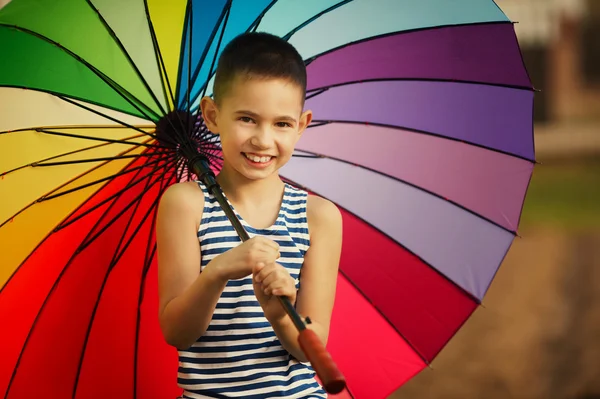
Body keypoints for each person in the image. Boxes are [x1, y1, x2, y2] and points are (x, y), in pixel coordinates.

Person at [156, 31, 343, 398]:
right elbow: (176, 332)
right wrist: (218, 271)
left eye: (282, 124)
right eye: (246, 118)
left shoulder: (318, 216)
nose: (262, 139)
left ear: (302, 125)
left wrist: (278, 314)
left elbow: (310, 350)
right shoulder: (185, 204)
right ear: (212, 115)